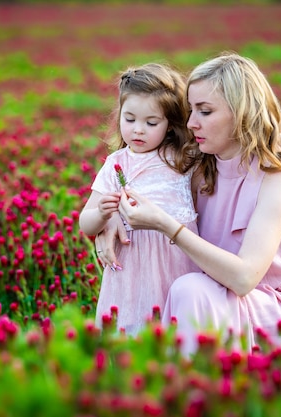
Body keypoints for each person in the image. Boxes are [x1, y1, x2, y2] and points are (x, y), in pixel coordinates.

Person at [99, 52, 281, 355]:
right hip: (217, 300)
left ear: (242, 113)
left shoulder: (278, 178)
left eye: (205, 111)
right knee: (176, 283)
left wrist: (166, 224)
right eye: (190, 110)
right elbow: (137, 176)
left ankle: (198, 393)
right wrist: (110, 217)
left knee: (189, 289)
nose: (191, 123)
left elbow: (244, 279)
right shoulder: (199, 165)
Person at [78, 63, 201, 335]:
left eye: (151, 122)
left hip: (176, 266)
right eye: (129, 119)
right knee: (131, 339)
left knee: (178, 336)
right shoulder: (116, 164)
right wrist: (102, 214)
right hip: (130, 275)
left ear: (170, 125)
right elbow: (85, 224)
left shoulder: (184, 160)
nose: (138, 130)